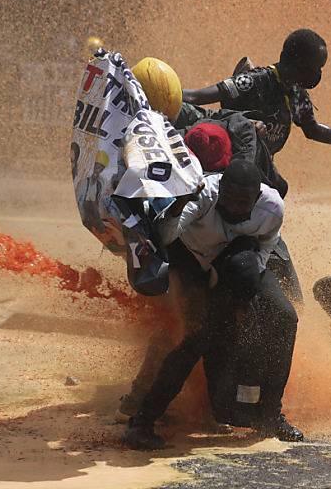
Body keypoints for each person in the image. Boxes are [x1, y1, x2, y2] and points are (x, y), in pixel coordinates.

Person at [182, 29, 331, 300]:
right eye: (316, 67)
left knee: (292, 294)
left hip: (258, 194)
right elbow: (194, 98)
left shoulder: (295, 94)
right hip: (225, 187)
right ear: (297, 62)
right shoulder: (253, 81)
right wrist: (147, 93)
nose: (318, 74)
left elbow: (314, 130)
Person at [122, 160, 302, 450]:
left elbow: (267, 245)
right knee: (197, 335)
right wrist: (181, 203)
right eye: (228, 200)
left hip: (239, 264)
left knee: (285, 316)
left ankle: (271, 415)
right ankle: (142, 422)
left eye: (243, 203)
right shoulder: (203, 194)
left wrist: (246, 290)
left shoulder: (271, 208)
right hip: (191, 259)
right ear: (221, 190)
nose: (233, 208)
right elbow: (165, 236)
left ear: (257, 196)